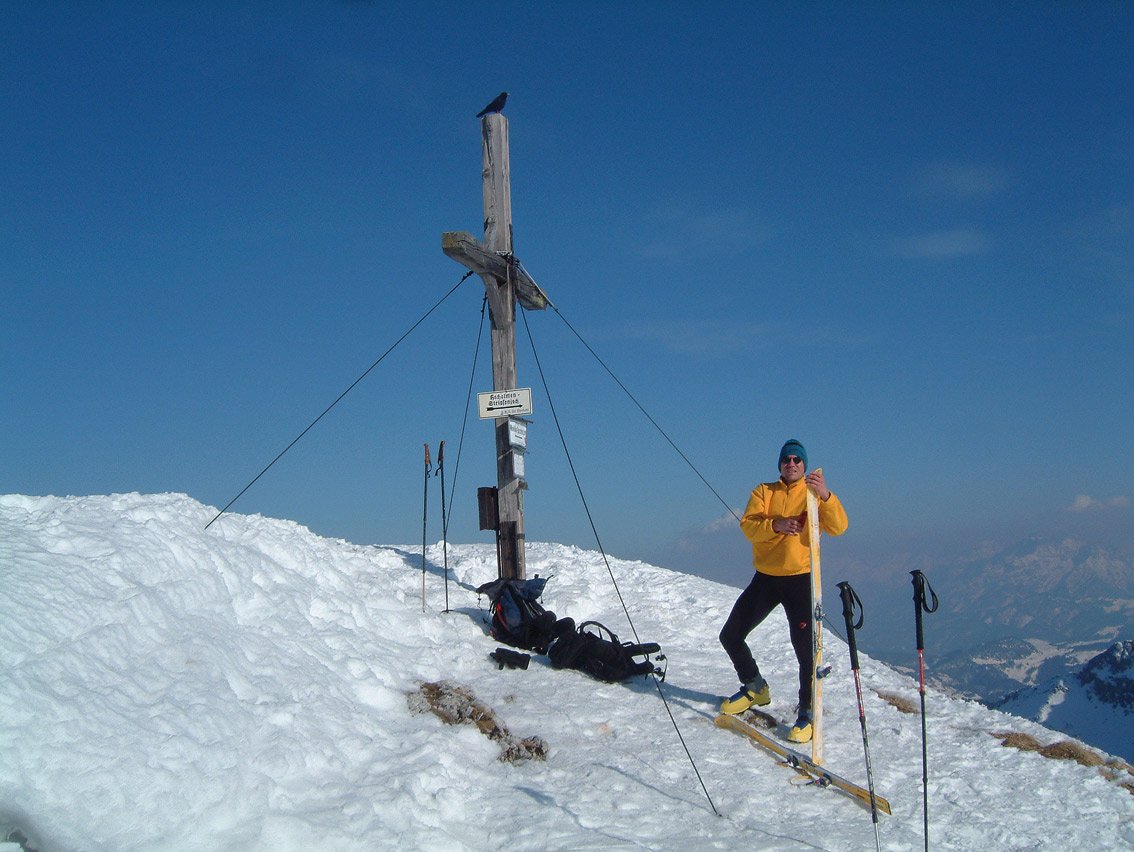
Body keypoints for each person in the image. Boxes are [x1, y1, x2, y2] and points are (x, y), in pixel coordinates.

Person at [718, 438, 848, 743]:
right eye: (786, 459)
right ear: (780, 464)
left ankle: (807, 712)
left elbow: (839, 527)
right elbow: (749, 526)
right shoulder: (764, 492)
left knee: (805, 651)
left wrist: (826, 495)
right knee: (731, 635)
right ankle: (755, 687)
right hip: (766, 578)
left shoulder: (814, 493)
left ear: (804, 464)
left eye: (797, 460)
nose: (791, 463)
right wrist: (775, 525)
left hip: (800, 579)